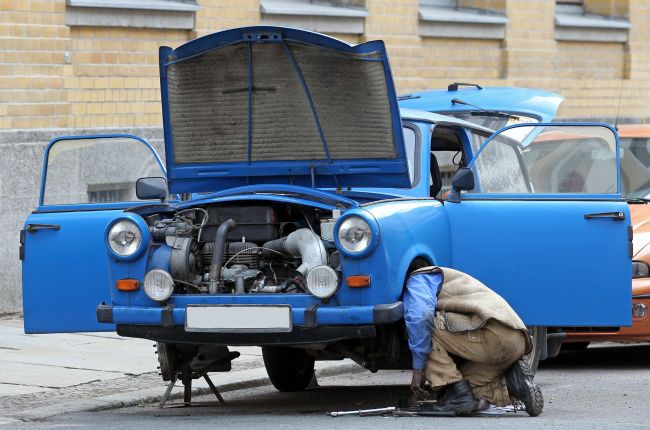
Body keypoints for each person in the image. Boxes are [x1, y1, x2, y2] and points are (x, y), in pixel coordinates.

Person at [403, 265, 543, 416]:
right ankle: (511, 384)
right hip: (517, 340)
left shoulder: (418, 279)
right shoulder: (451, 278)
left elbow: (421, 317)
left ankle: (459, 396)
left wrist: (418, 371)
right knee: (458, 393)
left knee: (423, 330)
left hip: (494, 333)